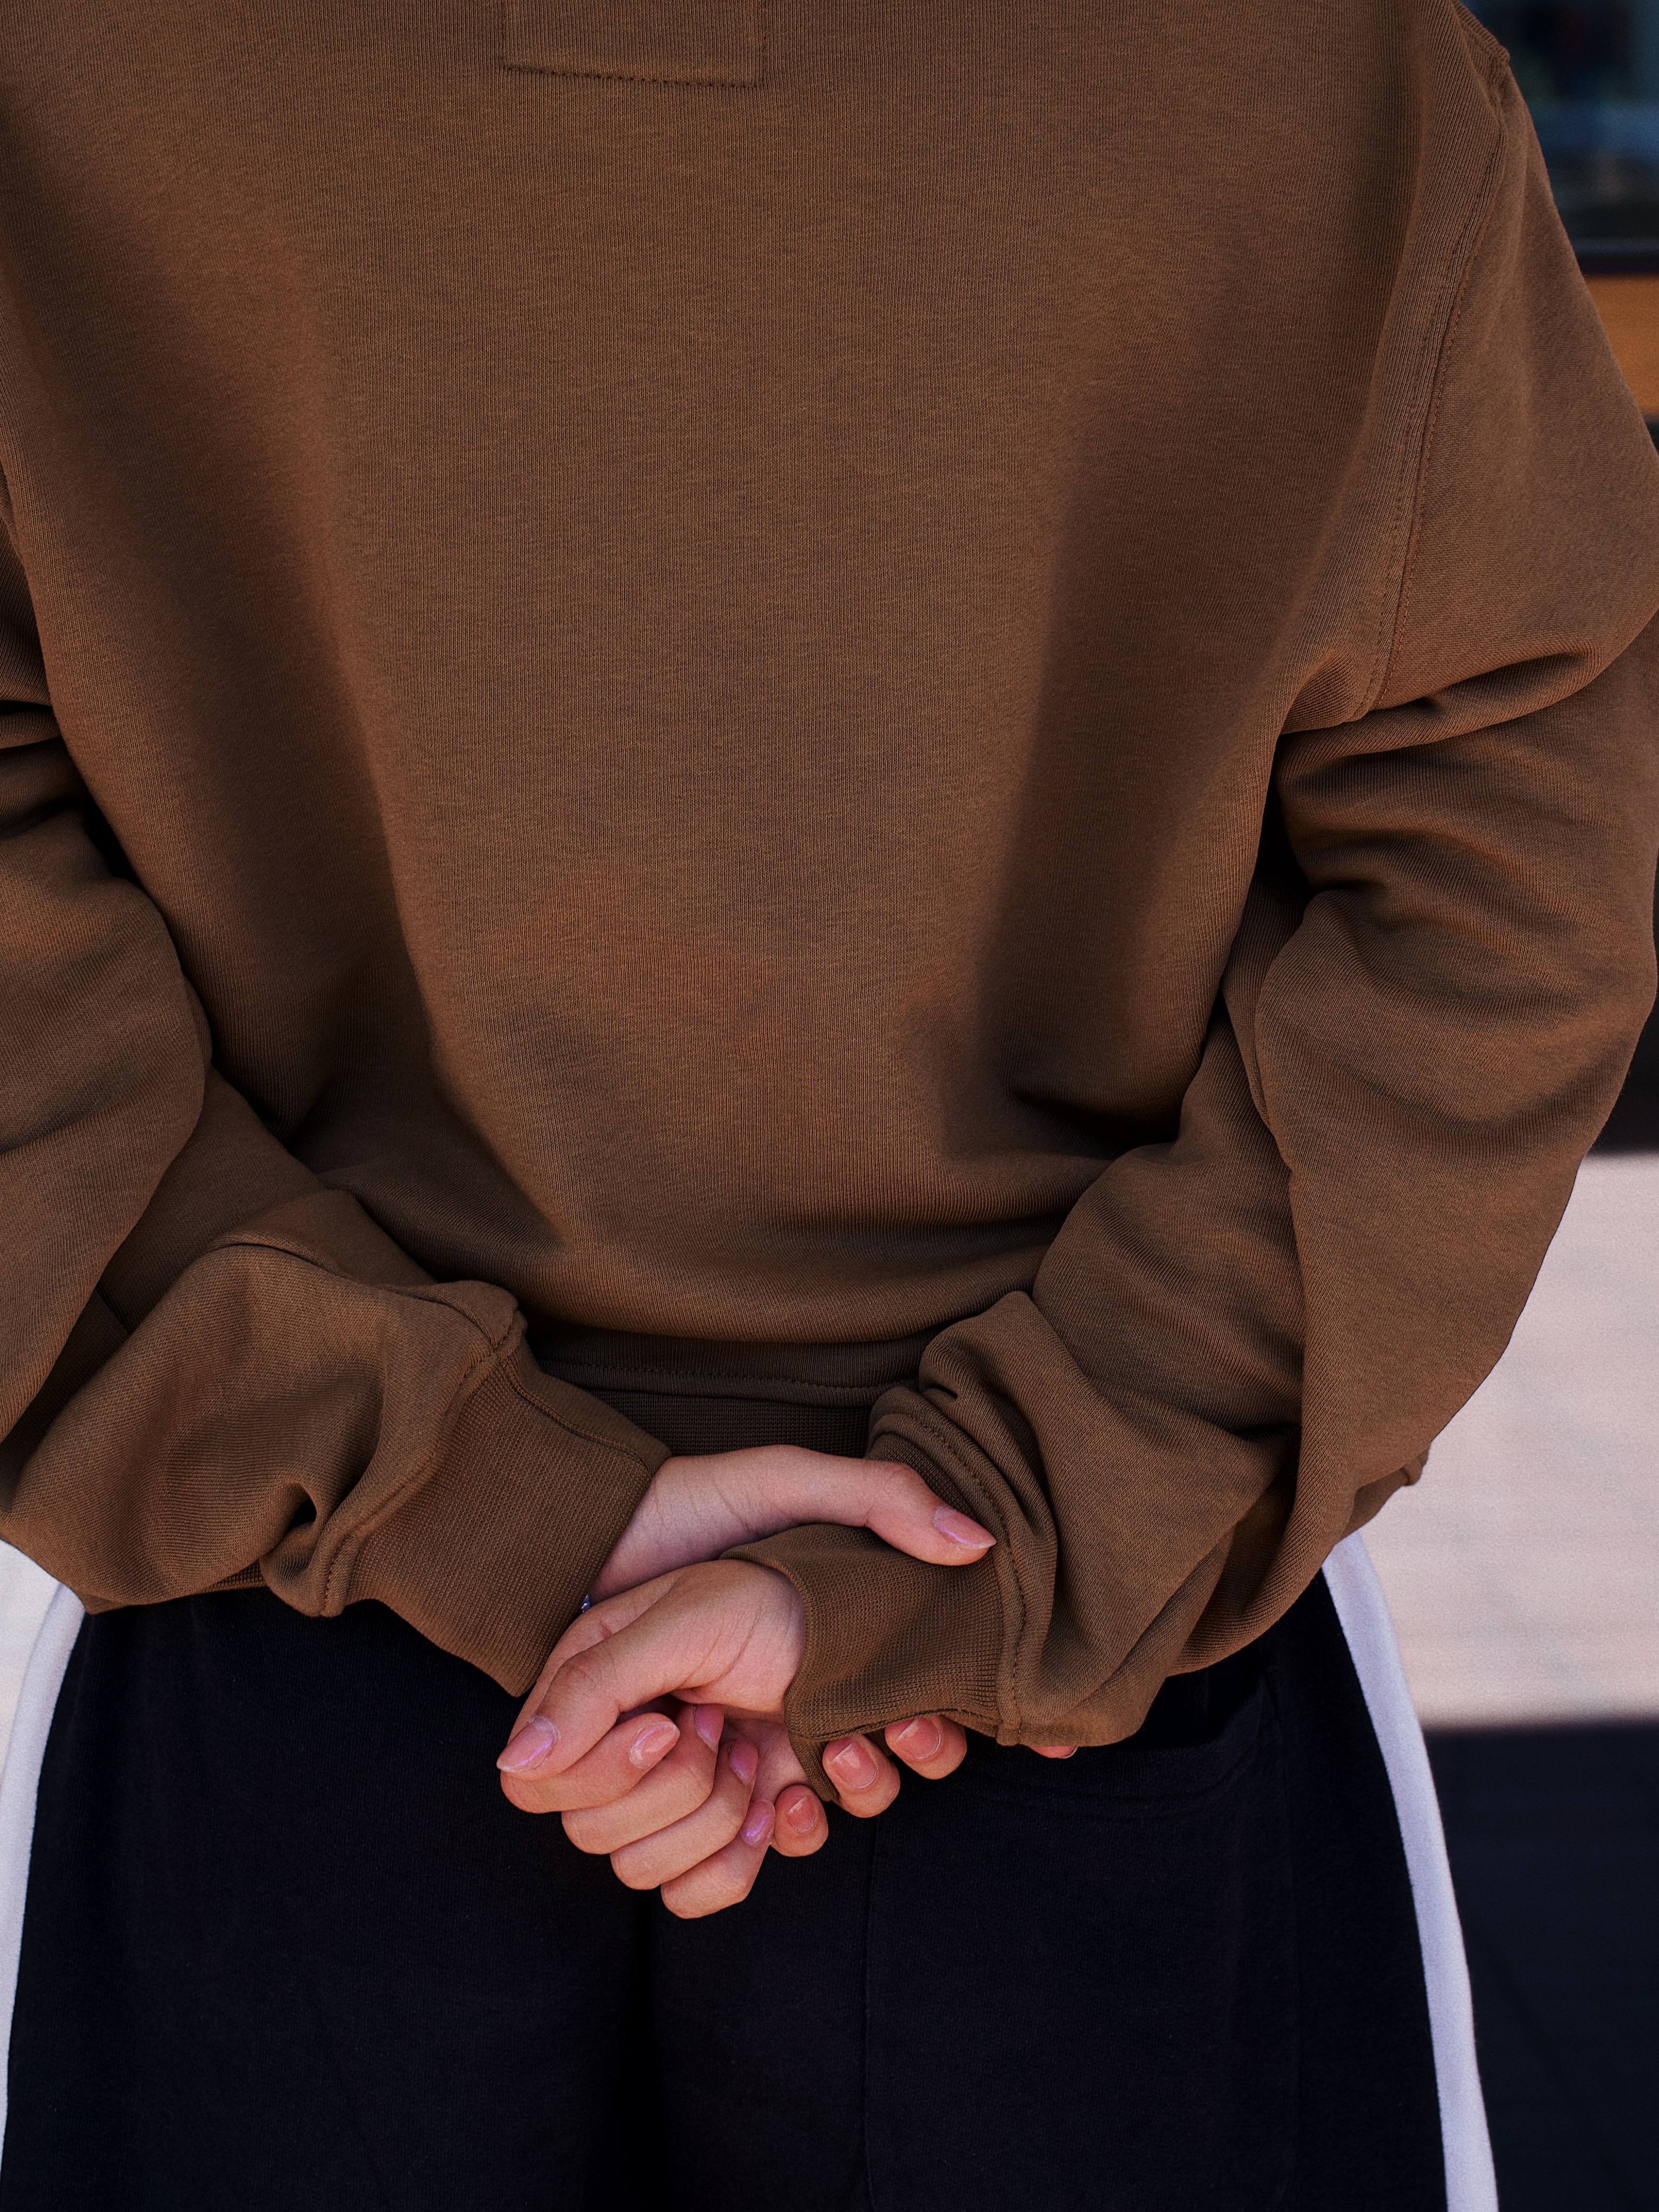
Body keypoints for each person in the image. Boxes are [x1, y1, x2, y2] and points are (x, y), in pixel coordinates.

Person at [2, 1, 1657, 2205]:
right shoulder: (1325, 65)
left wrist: (472, 1501)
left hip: (298, 1648)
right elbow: (1500, 891)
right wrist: (1021, 1523)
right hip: (1075, 1656)